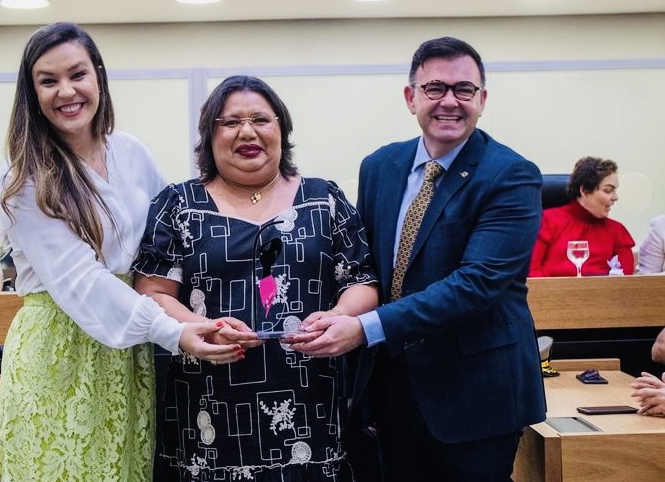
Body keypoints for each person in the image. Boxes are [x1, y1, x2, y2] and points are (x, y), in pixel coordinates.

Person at [287, 37, 545, 481]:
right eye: (435, 88)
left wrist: (363, 329)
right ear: (411, 98)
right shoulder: (380, 166)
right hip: (390, 390)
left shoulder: (511, 175)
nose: (450, 101)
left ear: (482, 100)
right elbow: (364, 269)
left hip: (476, 394)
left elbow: (476, 284)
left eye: (464, 90)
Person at [0, 22, 240, 482]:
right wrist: (174, 332)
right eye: (48, 81)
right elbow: (81, 282)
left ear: (99, 77)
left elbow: (179, 230)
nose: (66, 91)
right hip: (59, 349)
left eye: (77, 74)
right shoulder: (26, 176)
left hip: (126, 356)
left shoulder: (129, 152)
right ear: (32, 93)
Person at [133, 75, 379, 481]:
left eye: (261, 119)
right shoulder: (178, 204)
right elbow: (152, 291)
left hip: (309, 406)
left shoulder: (325, 199)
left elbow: (362, 282)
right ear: (209, 136)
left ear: (281, 129)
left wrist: (339, 317)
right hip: (207, 408)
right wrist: (203, 327)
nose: (246, 131)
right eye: (229, 122)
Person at [529, 157, 635, 277]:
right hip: (551, 294)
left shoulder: (617, 231)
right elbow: (532, 272)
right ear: (584, 190)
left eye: (615, 190)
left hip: (602, 295)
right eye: (608, 190)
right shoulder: (547, 221)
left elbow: (626, 283)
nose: (615, 197)